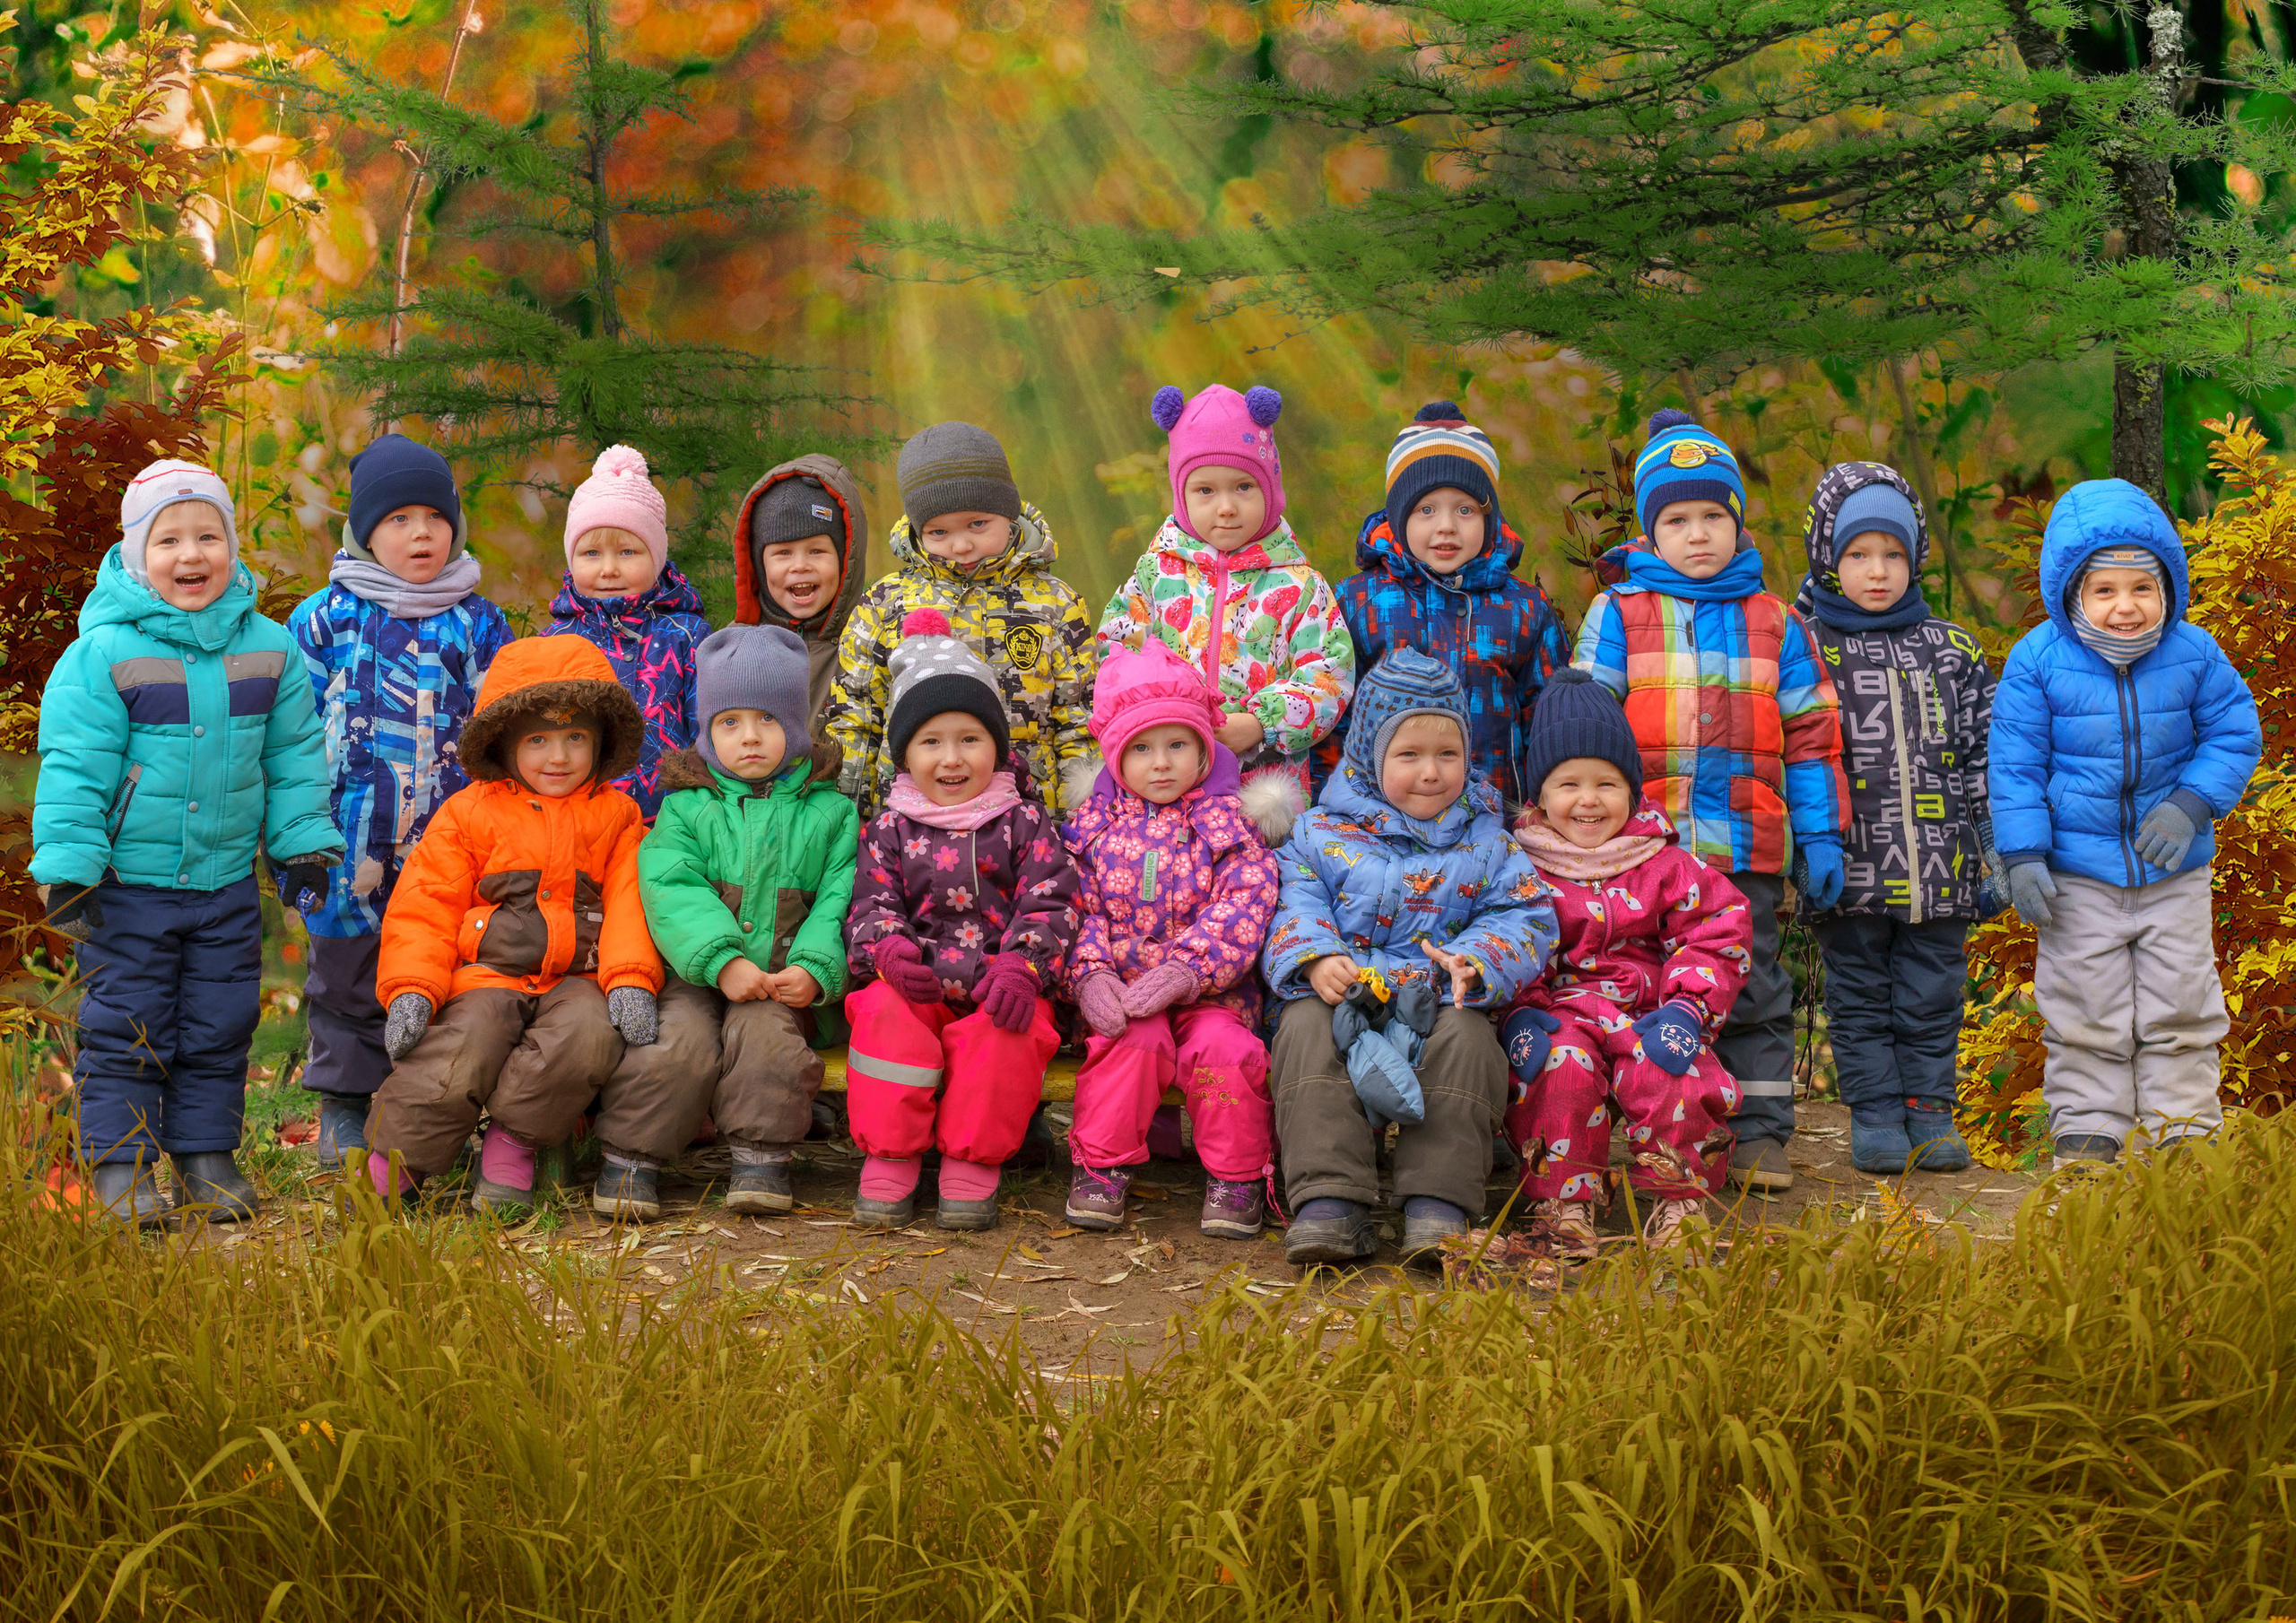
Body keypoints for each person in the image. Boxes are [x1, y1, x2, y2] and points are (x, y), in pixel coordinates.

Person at [33, 460, 342, 1226]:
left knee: (219, 1022)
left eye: (210, 534)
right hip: (129, 886)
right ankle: (123, 1170)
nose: (192, 554)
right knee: (128, 1027)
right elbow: (75, 766)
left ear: (233, 546)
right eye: (169, 539)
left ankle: (206, 1156)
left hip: (226, 883)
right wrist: (71, 867)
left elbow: (296, 756)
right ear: (137, 555)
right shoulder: (104, 655)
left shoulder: (270, 650)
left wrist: (301, 847)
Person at [1575, 409, 1848, 1193]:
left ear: (1737, 522)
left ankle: (1760, 1132)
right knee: (1657, 985)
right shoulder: (1620, 614)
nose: (1698, 535)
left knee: (1754, 984)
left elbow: (1811, 737)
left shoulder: (1778, 622)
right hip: (1646, 855)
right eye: (1677, 519)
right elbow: (1587, 727)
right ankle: (1667, 1129)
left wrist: (1821, 837)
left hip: (1747, 850)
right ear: (1652, 534)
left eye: (1713, 517)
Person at [1990, 479, 2261, 1164]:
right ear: (2072, 594)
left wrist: (2192, 802)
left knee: (2182, 1004)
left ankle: (2183, 1133)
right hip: (2078, 876)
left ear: (2168, 590)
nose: (2125, 608)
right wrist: (2023, 854)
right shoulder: (2038, 661)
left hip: (2174, 871)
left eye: (2142, 589)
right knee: (2084, 1007)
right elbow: (2015, 764)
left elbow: (2235, 733)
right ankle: (2089, 1130)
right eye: (2104, 591)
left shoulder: (2194, 654)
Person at [1260, 648, 1559, 1266]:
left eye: (1447, 755)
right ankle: (1330, 1199)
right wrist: (1316, 959)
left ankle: (1437, 1203)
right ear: (1371, 756)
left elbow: (1526, 914)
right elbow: (1294, 899)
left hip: (1436, 994)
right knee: (1306, 1030)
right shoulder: (1319, 831)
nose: (1431, 773)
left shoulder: (1487, 838)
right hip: (1349, 992)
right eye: (1409, 755)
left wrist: (1476, 961)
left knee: (1470, 1043)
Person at [363, 637, 663, 1214]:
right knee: (456, 1051)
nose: (559, 757)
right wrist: (412, 988)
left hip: (577, 978)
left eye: (576, 738)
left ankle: (512, 1144)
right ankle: (396, 1161)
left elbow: (630, 902)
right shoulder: (470, 812)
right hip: (488, 974)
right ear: (505, 745)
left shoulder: (618, 816)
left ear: (600, 744)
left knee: (584, 1039)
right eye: (538, 740)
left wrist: (628, 978)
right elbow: (426, 904)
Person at [287, 433, 511, 1169]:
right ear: (364, 531)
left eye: (434, 518)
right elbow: (290, 731)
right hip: (347, 840)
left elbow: (502, 727)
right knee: (347, 974)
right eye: (398, 519)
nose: (420, 534)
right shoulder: (324, 619)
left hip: (448, 842)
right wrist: (295, 831)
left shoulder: (478, 622)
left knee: (437, 969)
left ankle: (423, 1106)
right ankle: (346, 1108)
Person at [598, 625, 859, 1221]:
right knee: (674, 1044)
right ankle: (631, 1157)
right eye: (730, 722)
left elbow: (838, 898)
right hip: (694, 975)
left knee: (769, 1042)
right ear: (707, 731)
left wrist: (817, 968)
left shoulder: (830, 812)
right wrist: (721, 959)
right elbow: (671, 889)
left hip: (782, 975)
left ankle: (760, 1155)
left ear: (796, 726)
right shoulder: (686, 807)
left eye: (767, 721)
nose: (749, 738)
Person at [841, 612, 1083, 1231]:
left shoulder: (1023, 821)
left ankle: (971, 1163)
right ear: (904, 753)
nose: (952, 759)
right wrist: (888, 952)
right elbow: (871, 901)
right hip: (916, 985)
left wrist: (1024, 966)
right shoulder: (890, 827)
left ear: (997, 746)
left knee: (1005, 1033)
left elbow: (1052, 899)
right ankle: (890, 1155)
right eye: (931, 742)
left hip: (998, 984)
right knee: (882, 1017)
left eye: (969, 739)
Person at [1499, 669, 1752, 1258]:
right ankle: (1564, 1205)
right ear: (1540, 794)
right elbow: (1503, 941)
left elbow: (1717, 930)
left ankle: (1680, 1199)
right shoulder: (1517, 867)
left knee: (1671, 1069)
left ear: (1633, 790)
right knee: (1558, 1069)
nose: (1589, 801)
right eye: (1570, 784)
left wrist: (1689, 1009)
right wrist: (1520, 1016)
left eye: (1607, 784)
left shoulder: (1663, 862)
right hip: (1560, 1014)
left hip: (1650, 1011)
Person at [1795, 463, 1999, 1174]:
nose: (1876, 572)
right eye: (1857, 554)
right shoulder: (1806, 646)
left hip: (1941, 868)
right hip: (1849, 867)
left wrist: (1994, 853)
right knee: (1860, 997)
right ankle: (1875, 1111)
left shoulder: (1953, 648)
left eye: (1892, 554)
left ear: (1915, 559)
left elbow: (1982, 756)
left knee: (1933, 993)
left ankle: (1929, 1110)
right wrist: (1804, 849)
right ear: (1828, 557)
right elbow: (1793, 753)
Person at [1060, 640, 1282, 1239]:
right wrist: (1092, 975)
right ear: (1114, 758)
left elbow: (1245, 904)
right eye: (1141, 749)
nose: (1161, 763)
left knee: (1227, 1055)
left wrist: (1188, 970)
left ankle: (1236, 1177)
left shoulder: (1228, 825)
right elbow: (1077, 910)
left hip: (1212, 994)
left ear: (1204, 748)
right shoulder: (1092, 830)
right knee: (1130, 1042)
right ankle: (1102, 1165)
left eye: (1177, 746)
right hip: (1127, 993)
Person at [1098, 383, 1352, 836]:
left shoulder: (1299, 585)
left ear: (1271, 489)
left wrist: (1259, 723)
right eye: (1205, 490)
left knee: (1252, 890)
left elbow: (1329, 675)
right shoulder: (1156, 576)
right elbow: (1117, 650)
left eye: (1243, 486)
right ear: (1181, 495)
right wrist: (1163, 715)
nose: (1227, 507)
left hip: (1262, 790)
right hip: (1162, 776)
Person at [826, 422, 1099, 820]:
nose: (961, 545)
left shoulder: (1056, 604)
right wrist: (851, 820)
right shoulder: (885, 605)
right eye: (939, 531)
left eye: (977, 524)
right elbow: (858, 717)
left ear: (1008, 514)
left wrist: (1081, 823)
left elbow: (1077, 720)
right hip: (910, 826)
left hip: (1030, 824)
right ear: (918, 532)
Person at [1318, 401, 1570, 805]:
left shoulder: (1524, 608)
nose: (1446, 526)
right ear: (1400, 518)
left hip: (1497, 817)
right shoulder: (1358, 601)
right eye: (1427, 510)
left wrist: (1543, 808)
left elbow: (1551, 718)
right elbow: (1335, 716)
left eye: (1466, 509)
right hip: (1382, 824)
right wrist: (1329, 806)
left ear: (1490, 518)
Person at [544, 445, 711, 819]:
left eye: (627, 552)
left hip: (672, 823)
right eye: (591, 553)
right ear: (572, 560)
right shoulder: (556, 641)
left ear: (656, 557)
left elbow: (709, 732)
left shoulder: (686, 635)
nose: (608, 569)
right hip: (580, 821)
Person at [729, 453, 871, 724]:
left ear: (845, 561)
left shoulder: (870, 642)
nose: (800, 566)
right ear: (759, 566)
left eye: (816, 551)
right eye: (783, 553)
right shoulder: (731, 650)